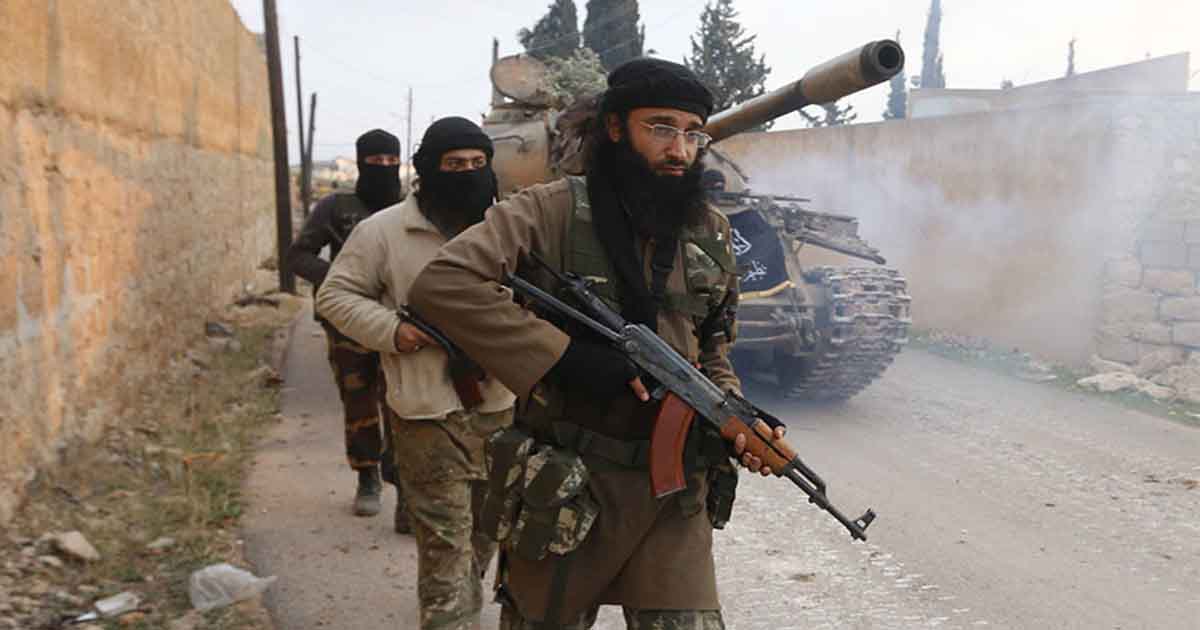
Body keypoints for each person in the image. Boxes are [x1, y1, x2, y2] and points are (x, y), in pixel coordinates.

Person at [408, 59, 784, 629]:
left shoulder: (711, 231)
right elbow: (444, 282)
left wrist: (733, 415)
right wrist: (566, 359)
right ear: (614, 127)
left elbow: (711, 348)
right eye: (660, 128)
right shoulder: (550, 209)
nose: (679, 150)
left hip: (674, 496)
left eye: (693, 133)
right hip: (568, 485)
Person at [316, 117, 515, 630]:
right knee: (446, 543)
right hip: (426, 413)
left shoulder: (508, 226)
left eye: (478, 164)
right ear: (429, 169)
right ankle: (451, 614)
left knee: (484, 533)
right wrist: (393, 331)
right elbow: (335, 295)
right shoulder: (383, 231)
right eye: (454, 164)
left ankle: (460, 599)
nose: (468, 173)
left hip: (502, 410)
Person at [289, 129, 408, 527]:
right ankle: (367, 475)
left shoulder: (411, 206)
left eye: (391, 161)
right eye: (376, 161)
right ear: (361, 163)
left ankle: (405, 487)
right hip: (349, 322)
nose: (384, 168)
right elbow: (299, 255)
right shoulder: (336, 207)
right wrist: (340, 279)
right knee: (359, 400)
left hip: (397, 321)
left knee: (403, 403)